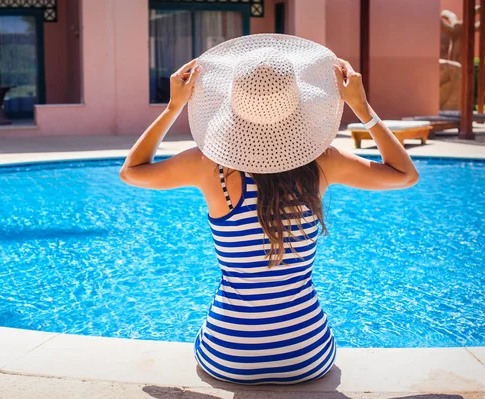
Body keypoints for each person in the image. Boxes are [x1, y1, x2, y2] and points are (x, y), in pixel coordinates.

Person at [120, 34, 418, 385]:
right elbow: (405, 175)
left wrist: (173, 108)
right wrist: (362, 108)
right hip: (307, 355)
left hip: (227, 356)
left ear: (234, 101)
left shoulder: (207, 165)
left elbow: (132, 171)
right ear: (296, 103)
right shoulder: (323, 163)